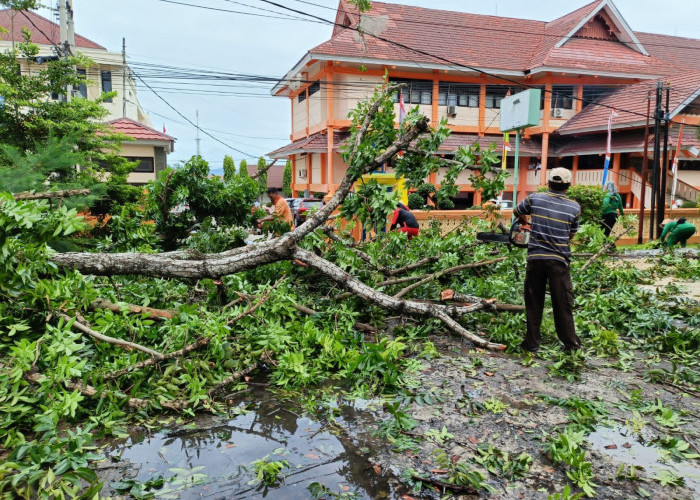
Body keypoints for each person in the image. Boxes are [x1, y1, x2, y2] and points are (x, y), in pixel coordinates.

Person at [513, 167, 582, 353]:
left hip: (535, 259)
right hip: (559, 261)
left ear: (548, 183)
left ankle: (532, 343)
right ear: (568, 186)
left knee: (534, 303)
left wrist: (525, 221)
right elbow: (570, 236)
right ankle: (571, 345)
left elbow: (516, 210)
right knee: (563, 304)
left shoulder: (535, 199)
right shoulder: (574, 208)